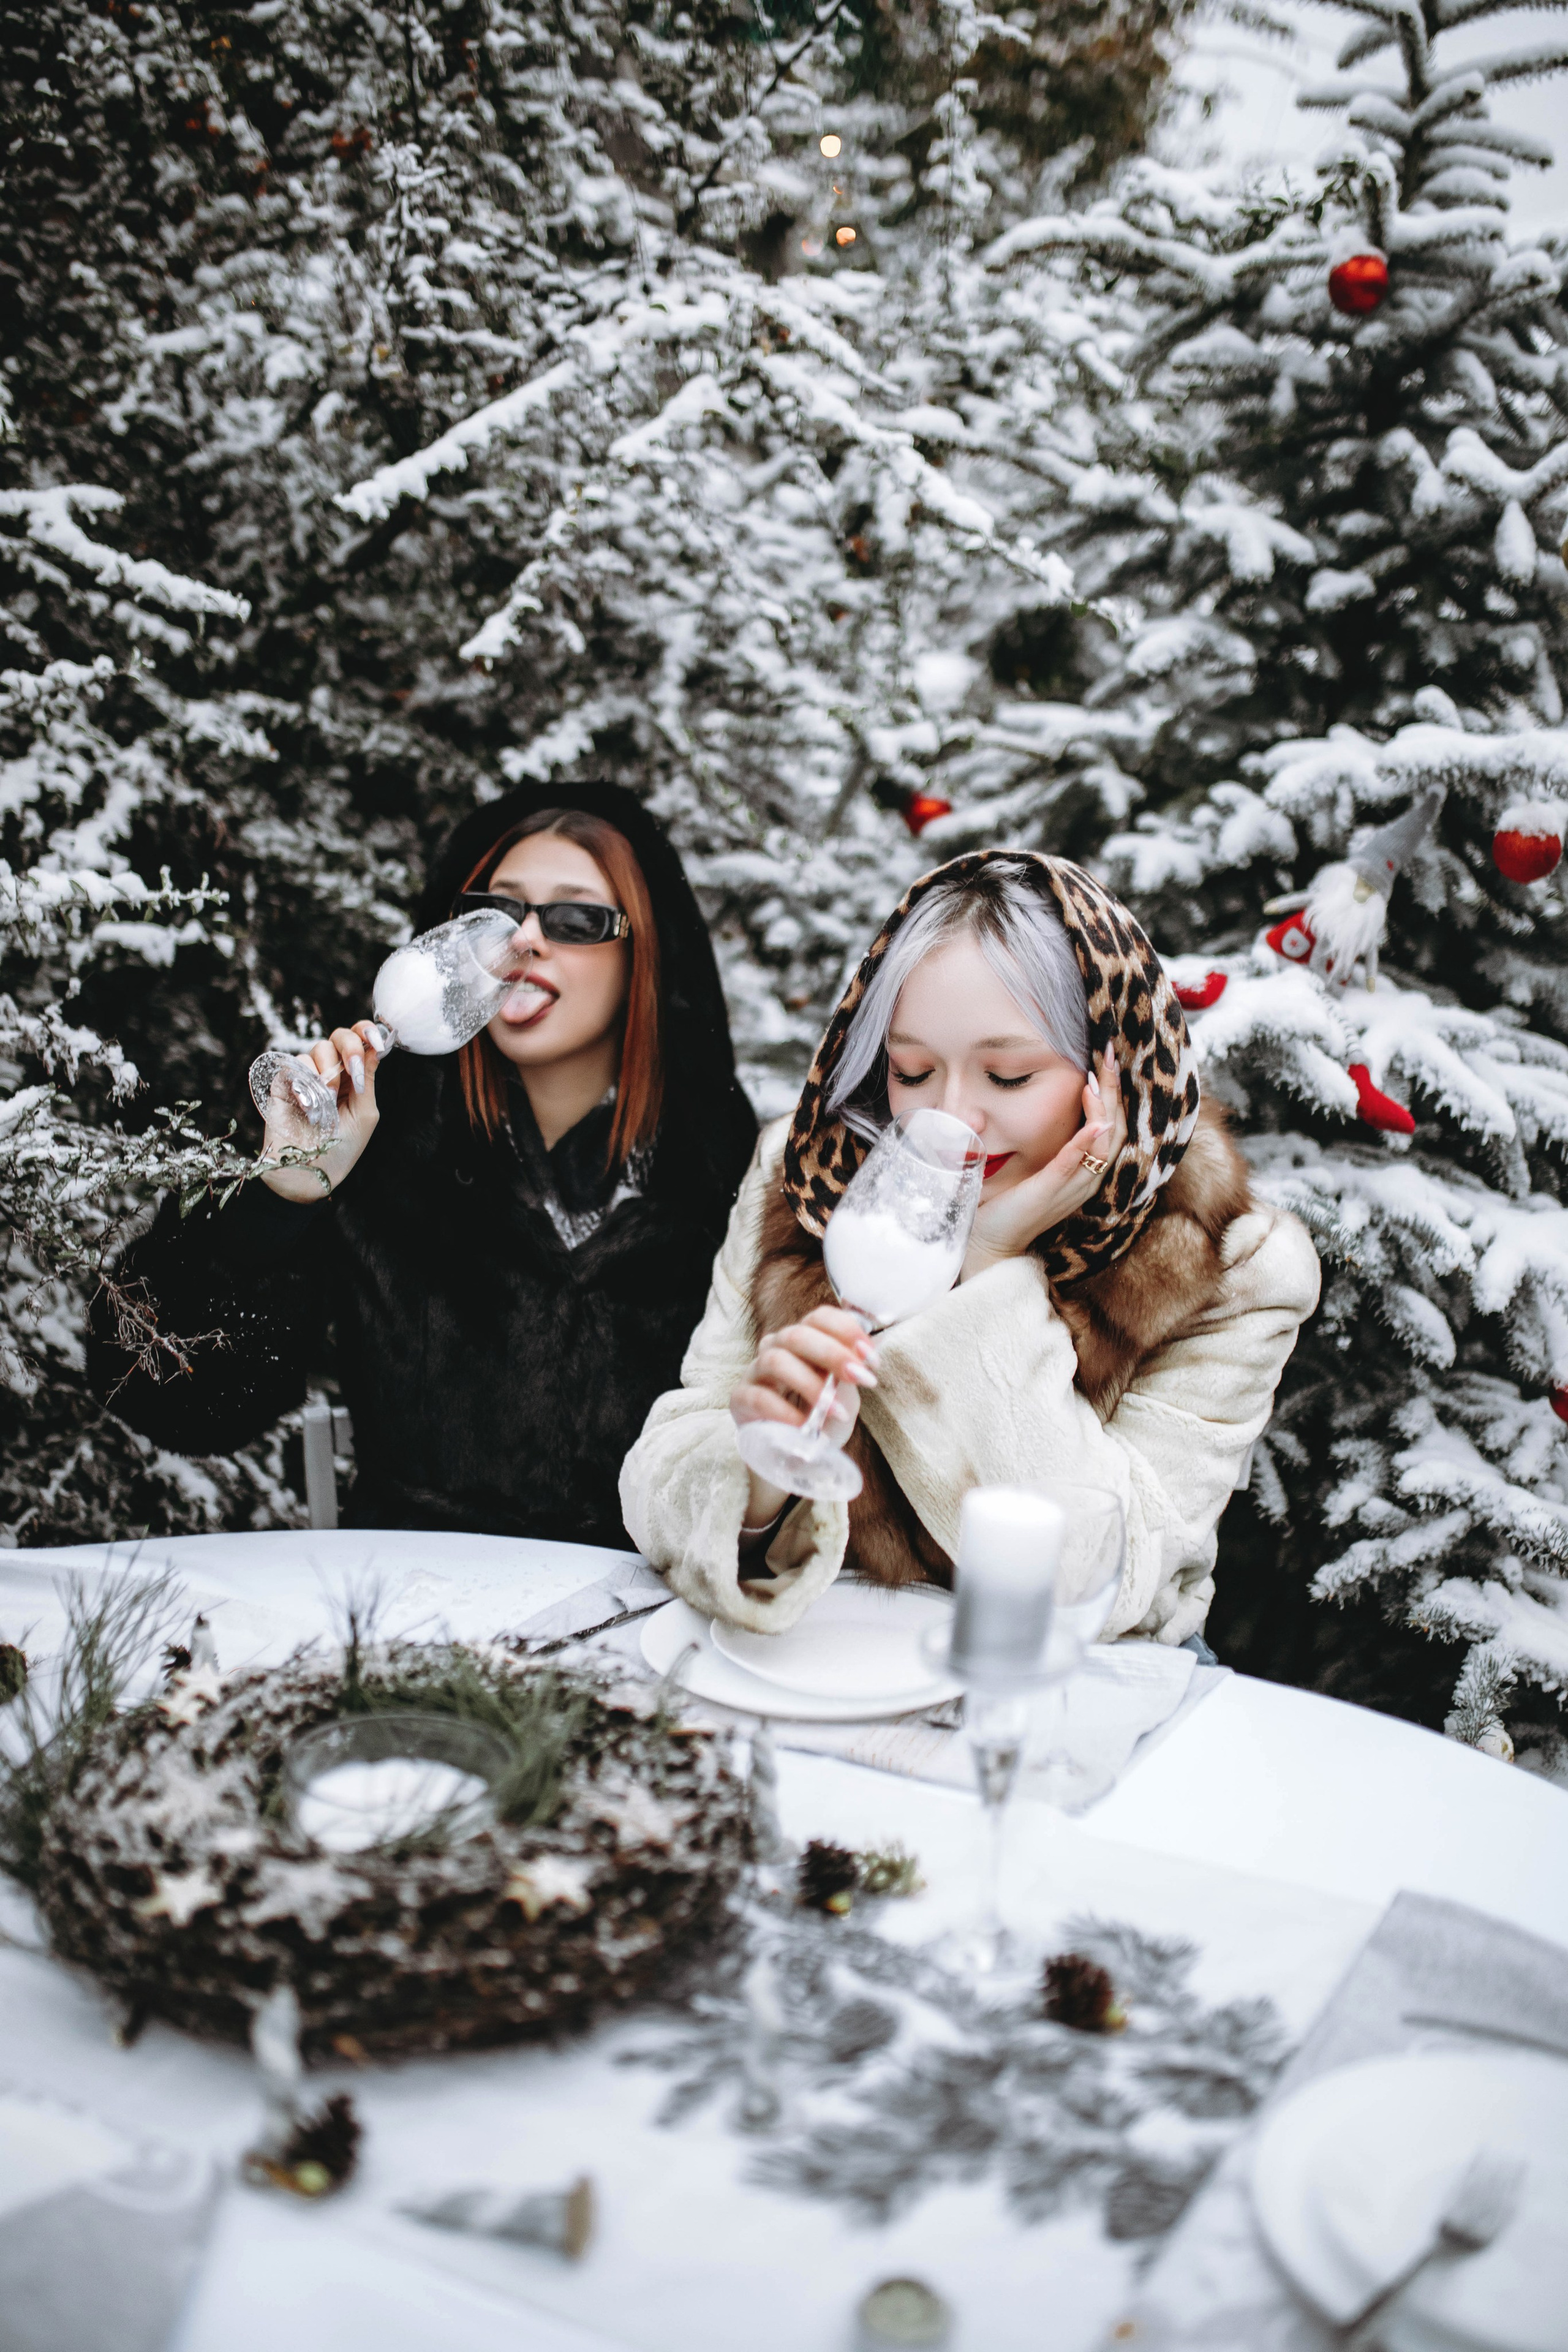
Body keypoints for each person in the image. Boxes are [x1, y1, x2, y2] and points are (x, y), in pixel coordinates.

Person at [621, 851, 1319, 1643]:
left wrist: (984, 1268)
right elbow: (662, 1475)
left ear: (1112, 1067)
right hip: (814, 1667)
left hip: (1064, 1701)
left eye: (1010, 1076)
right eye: (912, 1070)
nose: (951, 1120)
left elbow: (1109, 1576)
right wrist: (753, 1481)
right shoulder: (807, 1184)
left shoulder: (1225, 1264)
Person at [89, 783, 756, 1544]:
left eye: (575, 920)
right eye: (495, 913)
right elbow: (158, 1394)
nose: (524, 940)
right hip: (418, 1609)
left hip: (646, 1614)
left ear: (647, 957)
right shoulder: (385, 1152)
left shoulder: (728, 1183)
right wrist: (281, 1196)